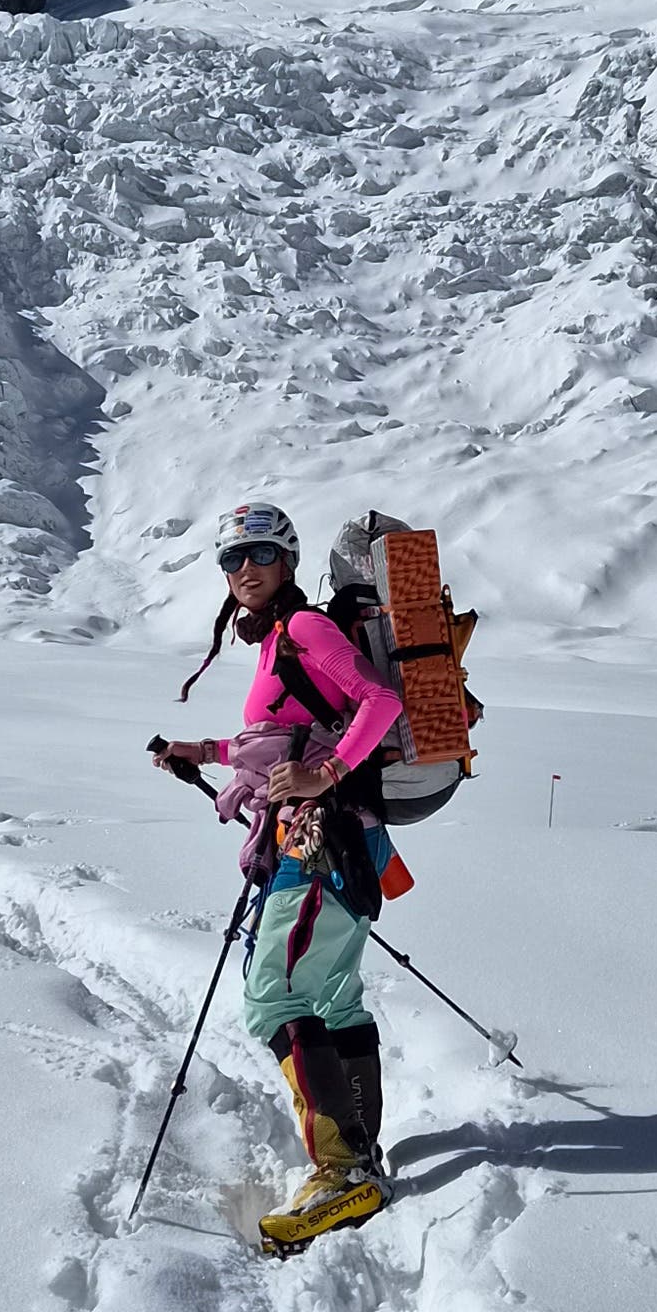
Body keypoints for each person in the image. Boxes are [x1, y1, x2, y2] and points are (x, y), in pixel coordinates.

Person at [155, 500, 406, 1247]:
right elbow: (282, 738)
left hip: (319, 844)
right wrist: (203, 752)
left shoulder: (305, 629)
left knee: (272, 999)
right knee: (332, 998)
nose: (243, 572)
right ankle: (359, 1155)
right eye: (230, 562)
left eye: (258, 555)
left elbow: (381, 702)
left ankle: (343, 1174)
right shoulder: (278, 646)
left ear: (288, 561)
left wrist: (326, 773)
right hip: (341, 844)